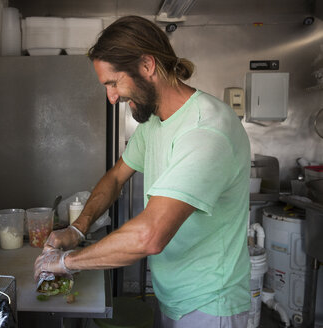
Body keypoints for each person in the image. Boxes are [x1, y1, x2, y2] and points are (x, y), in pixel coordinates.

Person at [34, 15, 251, 328]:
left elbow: (150, 236)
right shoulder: (154, 123)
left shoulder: (206, 130)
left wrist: (65, 263)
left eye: (114, 82)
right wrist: (78, 228)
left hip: (210, 305)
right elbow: (116, 176)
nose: (112, 97)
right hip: (173, 296)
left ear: (147, 66)